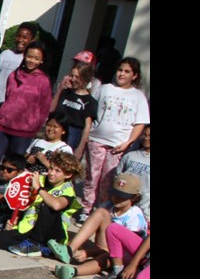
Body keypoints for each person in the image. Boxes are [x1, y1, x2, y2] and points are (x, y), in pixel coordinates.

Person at [78, 58, 150, 223]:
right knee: (92, 177)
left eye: (127, 71)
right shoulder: (104, 89)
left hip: (118, 145)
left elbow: (140, 123)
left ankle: (102, 210)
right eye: (120, 70)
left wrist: (128, 142)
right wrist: (88, 133)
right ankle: (86, 209)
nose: (122, 74)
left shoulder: (138, 96)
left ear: (134, 75)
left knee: (108, 180)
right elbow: (90, 111)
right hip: (97, 139)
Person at [0, 40, 52, 196]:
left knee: (14, 166)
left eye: (36, 58)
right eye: (29, 57)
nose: (32, 61)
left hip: (24, 131)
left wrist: (34, 126)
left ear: (42, 61)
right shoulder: (13, 75)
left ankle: (8, 195)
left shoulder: (43, 81)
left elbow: (44, 108)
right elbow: (8, 96)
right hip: (4, 125)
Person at [48, 173, 147, 279]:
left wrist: (90, 252)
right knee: (101, 212)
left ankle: (73, 271)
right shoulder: (108, 205)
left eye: (122, 196)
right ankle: (69, 250)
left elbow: (123, 250)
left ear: (134, 197)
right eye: (115, 194)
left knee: (105, 258)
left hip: (124, 256)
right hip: (107, 247)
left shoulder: (135, 216)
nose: (117, 199)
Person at [0, 152, 83, 256]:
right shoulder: (39, 178)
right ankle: (42, 248)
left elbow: (56, 205)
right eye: (51, 168)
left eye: (57, 171)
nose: (51, 173)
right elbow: (21, 199)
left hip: (52, 232)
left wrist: (38, 188)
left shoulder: (67, 189)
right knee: (0, 239)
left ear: (68, 174)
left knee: (47, 205)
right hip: (31, 226)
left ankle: (37, 244)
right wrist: (15, 219)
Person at [0, 22, 39, 158]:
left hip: (14, 110)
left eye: (25, 37)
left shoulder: (30, 60)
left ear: (32, 40)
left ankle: (2, 176)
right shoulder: (4, 55)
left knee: (8, 148)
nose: (20, 40)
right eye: (19, 36)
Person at [51, 59, 98, 153]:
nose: (73, 79)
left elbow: (87, 127)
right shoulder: (65, 93)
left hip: (73, 136)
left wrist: (80, 148)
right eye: (72, 76)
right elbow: (51, 110)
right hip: (57, 130)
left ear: (85, 78)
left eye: (77, 77)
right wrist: (60, 90)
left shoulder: (90, 101)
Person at [117, 124, 150, 223]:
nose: (146, 138)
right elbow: (118, 177)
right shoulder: (130, 156)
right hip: (123, 204)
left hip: (144, 211)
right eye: (144, 135)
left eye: (149, 136)